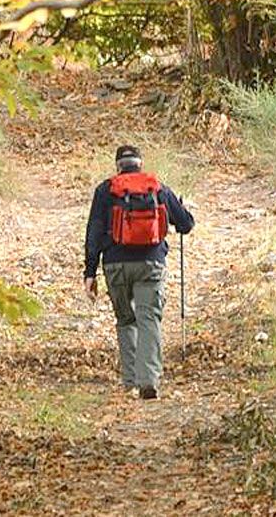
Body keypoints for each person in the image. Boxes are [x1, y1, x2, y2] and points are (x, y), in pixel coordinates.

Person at [84, 144, 194, 400]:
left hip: (115, 265)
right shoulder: (156, 187)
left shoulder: (105, 190)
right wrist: (180, 206)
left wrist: (89, 272)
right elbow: (186, 225)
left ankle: (130, 381)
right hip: (151, 264)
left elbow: (94, 232)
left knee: (126, 320)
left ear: (118, 167)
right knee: (149, 320)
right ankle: (149, 380)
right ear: (140, 164)